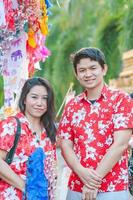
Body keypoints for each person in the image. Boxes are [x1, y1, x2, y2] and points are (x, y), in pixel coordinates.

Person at [57, 47, 133, 200]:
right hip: (77, 187)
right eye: (82, 70)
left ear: (104, 69)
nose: (88, 74)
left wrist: (92, 183)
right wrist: (81, 171)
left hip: (113, 187)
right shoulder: (72, 106)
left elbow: (120, 145)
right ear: (77, 74)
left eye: (93, 68)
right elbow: (65, 145)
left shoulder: (121, 100)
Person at [0, 77, 57, 200]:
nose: (40, 103)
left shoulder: (48, 131)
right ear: (24, 99)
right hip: (13, 195)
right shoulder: (12, 125)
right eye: (34, 97)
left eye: (45, 98)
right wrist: (26, 188)